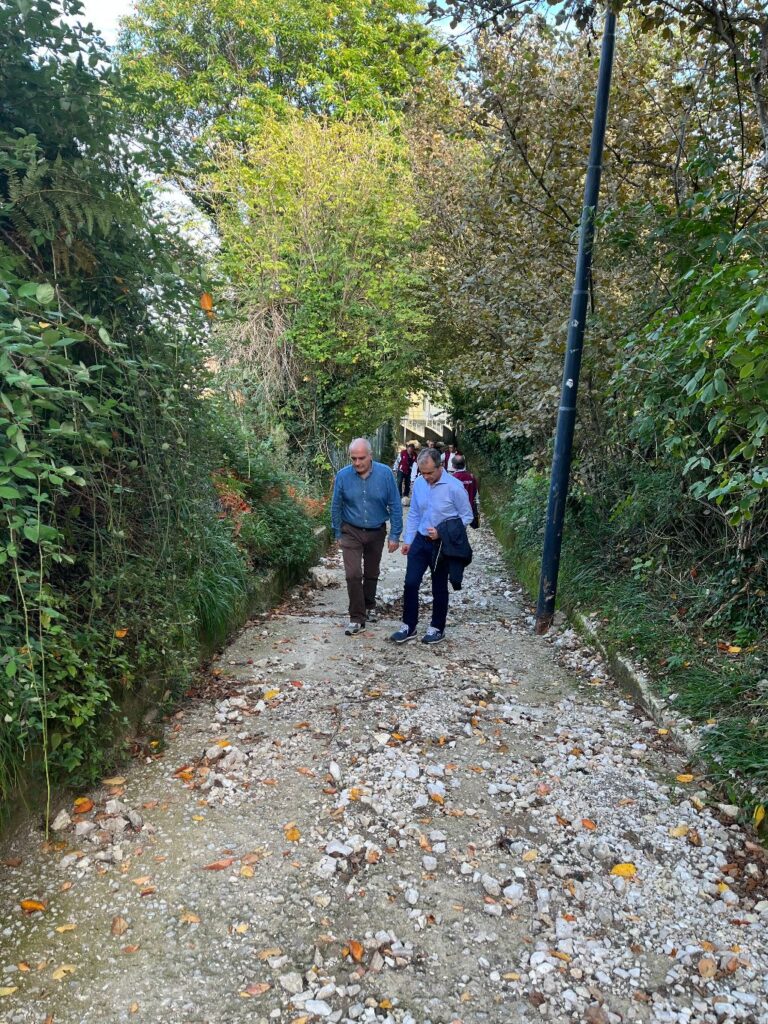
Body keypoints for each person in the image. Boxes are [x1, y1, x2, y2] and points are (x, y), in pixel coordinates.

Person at [389, 448, 473, 645]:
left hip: (442, 545)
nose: (426, 477)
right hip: (420, 540)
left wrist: (443, 532)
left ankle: (437, 627)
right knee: (410, 583)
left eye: (429, 473)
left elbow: (467, 516)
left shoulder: (454, 487)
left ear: (440, 466)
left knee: (439, 586)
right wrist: (408, 540)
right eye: (422, 472)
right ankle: (408, 625)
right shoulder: (419, 483)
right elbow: (414, 513)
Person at [331, 438, 402, 636]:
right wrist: (337, 532)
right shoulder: (343, 476)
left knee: (371, 572)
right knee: (353, 574)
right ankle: (356, 618)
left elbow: (395, 504)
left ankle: (369, 605)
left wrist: (395, 535)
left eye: (361, 458)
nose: (357, 462)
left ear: (370, 456)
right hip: (351, 530)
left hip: (376, 530)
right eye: (353, 458)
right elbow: (336, 505)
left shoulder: (385, 474)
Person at [452, 455, 480, 528]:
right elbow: (476, 492)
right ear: (464, 464)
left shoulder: (452, 478)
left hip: (456, 511)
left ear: (453, 466)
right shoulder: (471, 477)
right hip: (469, 508)